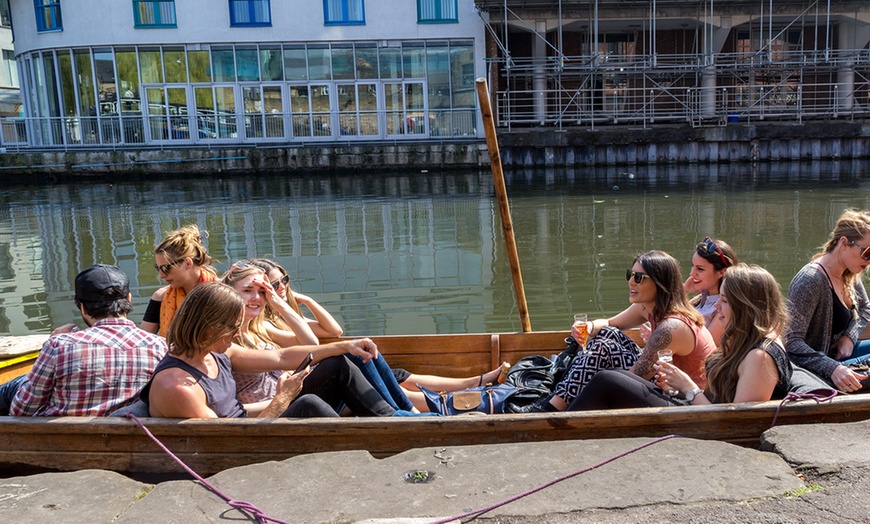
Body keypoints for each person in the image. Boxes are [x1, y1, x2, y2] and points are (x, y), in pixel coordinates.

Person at [225, 261, 507, 413]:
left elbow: (311, 342)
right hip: (281, 406)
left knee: (360, 357)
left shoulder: (260, 327)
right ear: (228, 292)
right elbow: (289, 355)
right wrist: (344, 346)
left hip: (295, 393)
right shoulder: (229, 338)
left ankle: (433, 405)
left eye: (261, 291)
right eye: (248, 291)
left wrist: (278, 301)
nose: (256, 298)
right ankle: (423, 411)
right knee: (348, 359)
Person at [142, 281, 395, 418]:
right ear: (208, 327)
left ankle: (400, 422)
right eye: (233, 328)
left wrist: (343, 346)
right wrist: (281, 400)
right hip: (244, 444)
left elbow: (280, 357)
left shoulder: (215, 353)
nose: (239, 334)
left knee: (337, 364)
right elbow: (225, 442)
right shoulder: (177, 387)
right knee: (310, 405)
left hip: (250, 423)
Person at [568, 264, 793, 410]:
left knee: (608, 381)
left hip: (701, 425)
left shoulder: (760, 356)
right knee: (613, 375)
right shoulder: (744, 338)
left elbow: (733, 423)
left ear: (746, 307)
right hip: (695, 408)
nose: (717, 309)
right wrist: (675, 386)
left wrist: (688, 387)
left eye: (724, 301)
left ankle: (558, 425)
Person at [526, 250, 717, 413]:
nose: (631, 282)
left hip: (686, 403)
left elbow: (633, 377)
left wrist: (594, 366)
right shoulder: (649, 306)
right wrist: (589, 327)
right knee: (607, 334)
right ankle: (556, 400)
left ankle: (550, 411)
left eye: (639, 278)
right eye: (630, 275)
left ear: (659, 284)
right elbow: (610, 323)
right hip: (662, 383)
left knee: (602, 353)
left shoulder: (672, 327)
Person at [1, 264, 166, 416]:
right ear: (128, 299)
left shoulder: (58, 345)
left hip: (60, 443)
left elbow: (21, 410)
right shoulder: (160, 347)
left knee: (16, 385)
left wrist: (52, 343)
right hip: (131, 440)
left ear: (82, 307)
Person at [784, 209, 870, 393]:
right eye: (867, 251)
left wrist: (849, 337)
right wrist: (832, 368)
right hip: (818, 371)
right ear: (844, 243)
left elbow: (865, 308)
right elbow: (791, 342)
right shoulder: (810, 280)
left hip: (839, 359)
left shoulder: (849, 272)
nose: (869, 260)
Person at [140, 224, 218, 336]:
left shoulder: (221, 293)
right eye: (158, 268)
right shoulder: (160, 297)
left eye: (166, 268)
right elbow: (142, 340)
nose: (161, 275)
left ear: (187, 263)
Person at [248, 258, 343, 341]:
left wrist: (308, 300)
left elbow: (334, 331)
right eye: (275, 285)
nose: (282, 287)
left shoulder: (281, 316)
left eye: (284, 280)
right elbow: (309, 342)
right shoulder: (264, 323)